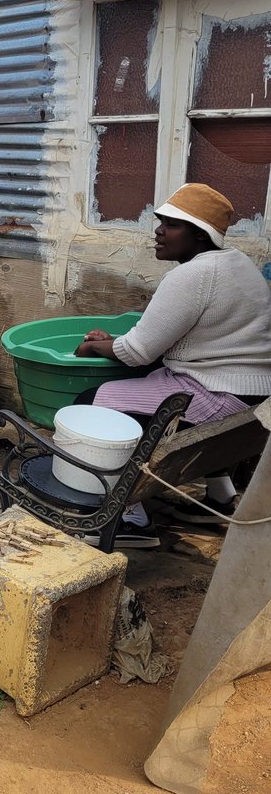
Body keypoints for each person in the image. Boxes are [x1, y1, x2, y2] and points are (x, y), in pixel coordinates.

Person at [74, 183, 271, 547]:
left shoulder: (190, 276)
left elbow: (137, 352)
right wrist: (112, 343)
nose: (159, 231)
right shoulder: (239, 263)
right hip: (251, 398)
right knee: (147, 383)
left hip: (214, 395)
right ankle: (220, 497)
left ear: (200, 235)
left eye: (172, 225)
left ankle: (133, 520)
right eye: (161, 222)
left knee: (90, 403)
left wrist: (92, 347)